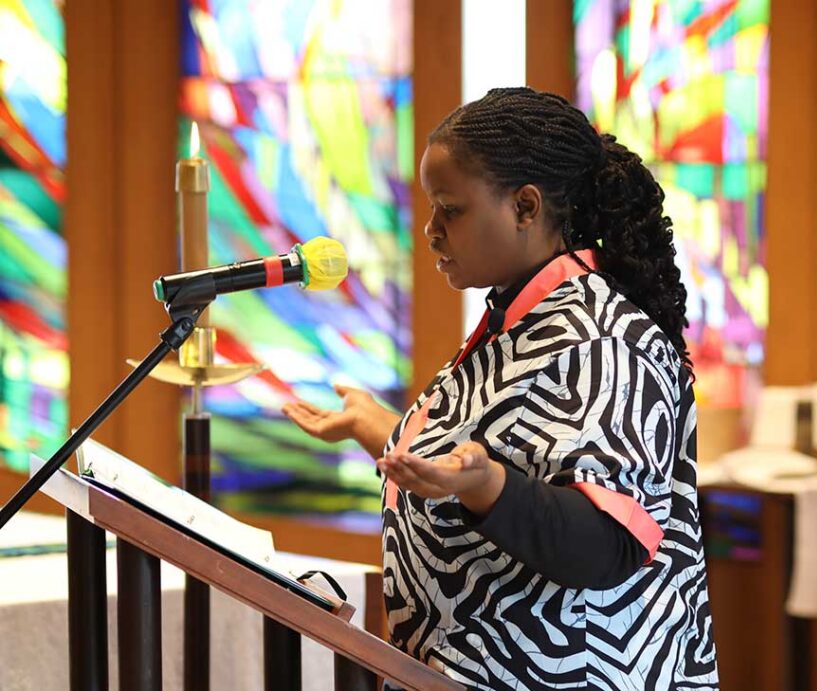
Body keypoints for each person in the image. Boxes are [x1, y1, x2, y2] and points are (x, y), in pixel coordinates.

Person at [283, 87, 718, 690]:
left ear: (526, 206)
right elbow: (484, 460)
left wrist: (487, 486)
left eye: (450, 209)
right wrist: (379, 428)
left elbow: (609, 540)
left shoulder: (600, 339)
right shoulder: (522, 317)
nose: (431, 231)